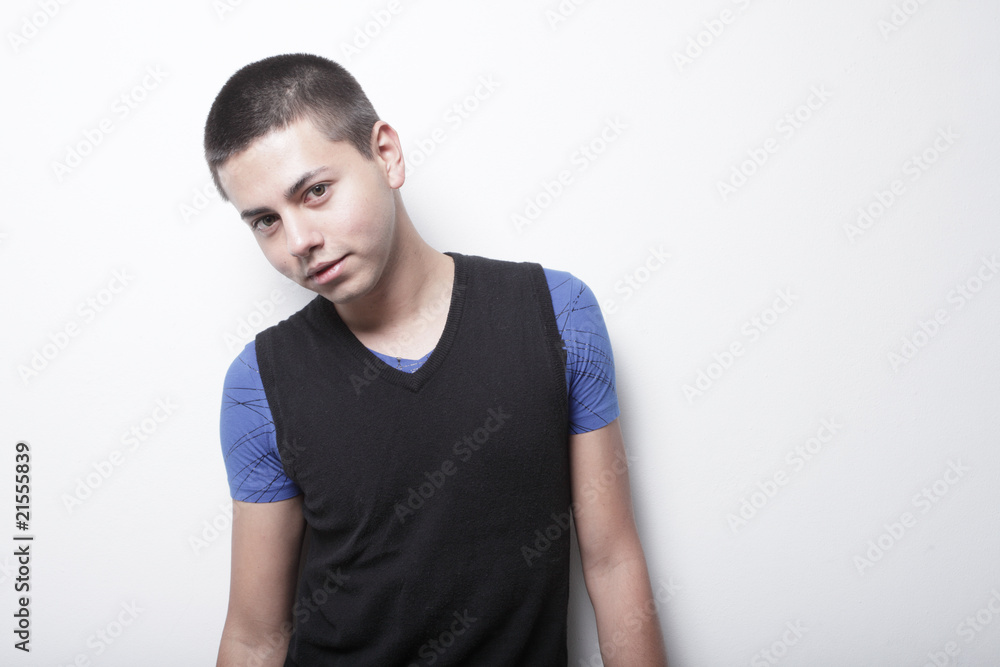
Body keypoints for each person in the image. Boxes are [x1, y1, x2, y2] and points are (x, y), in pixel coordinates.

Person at [205, 53, 667, 666]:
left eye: (315, 191)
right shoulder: (257, 385)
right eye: (265, 221)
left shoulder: (556, 314)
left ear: (387, 154)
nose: (298, 243)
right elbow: (256, 635)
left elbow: (611, 561)